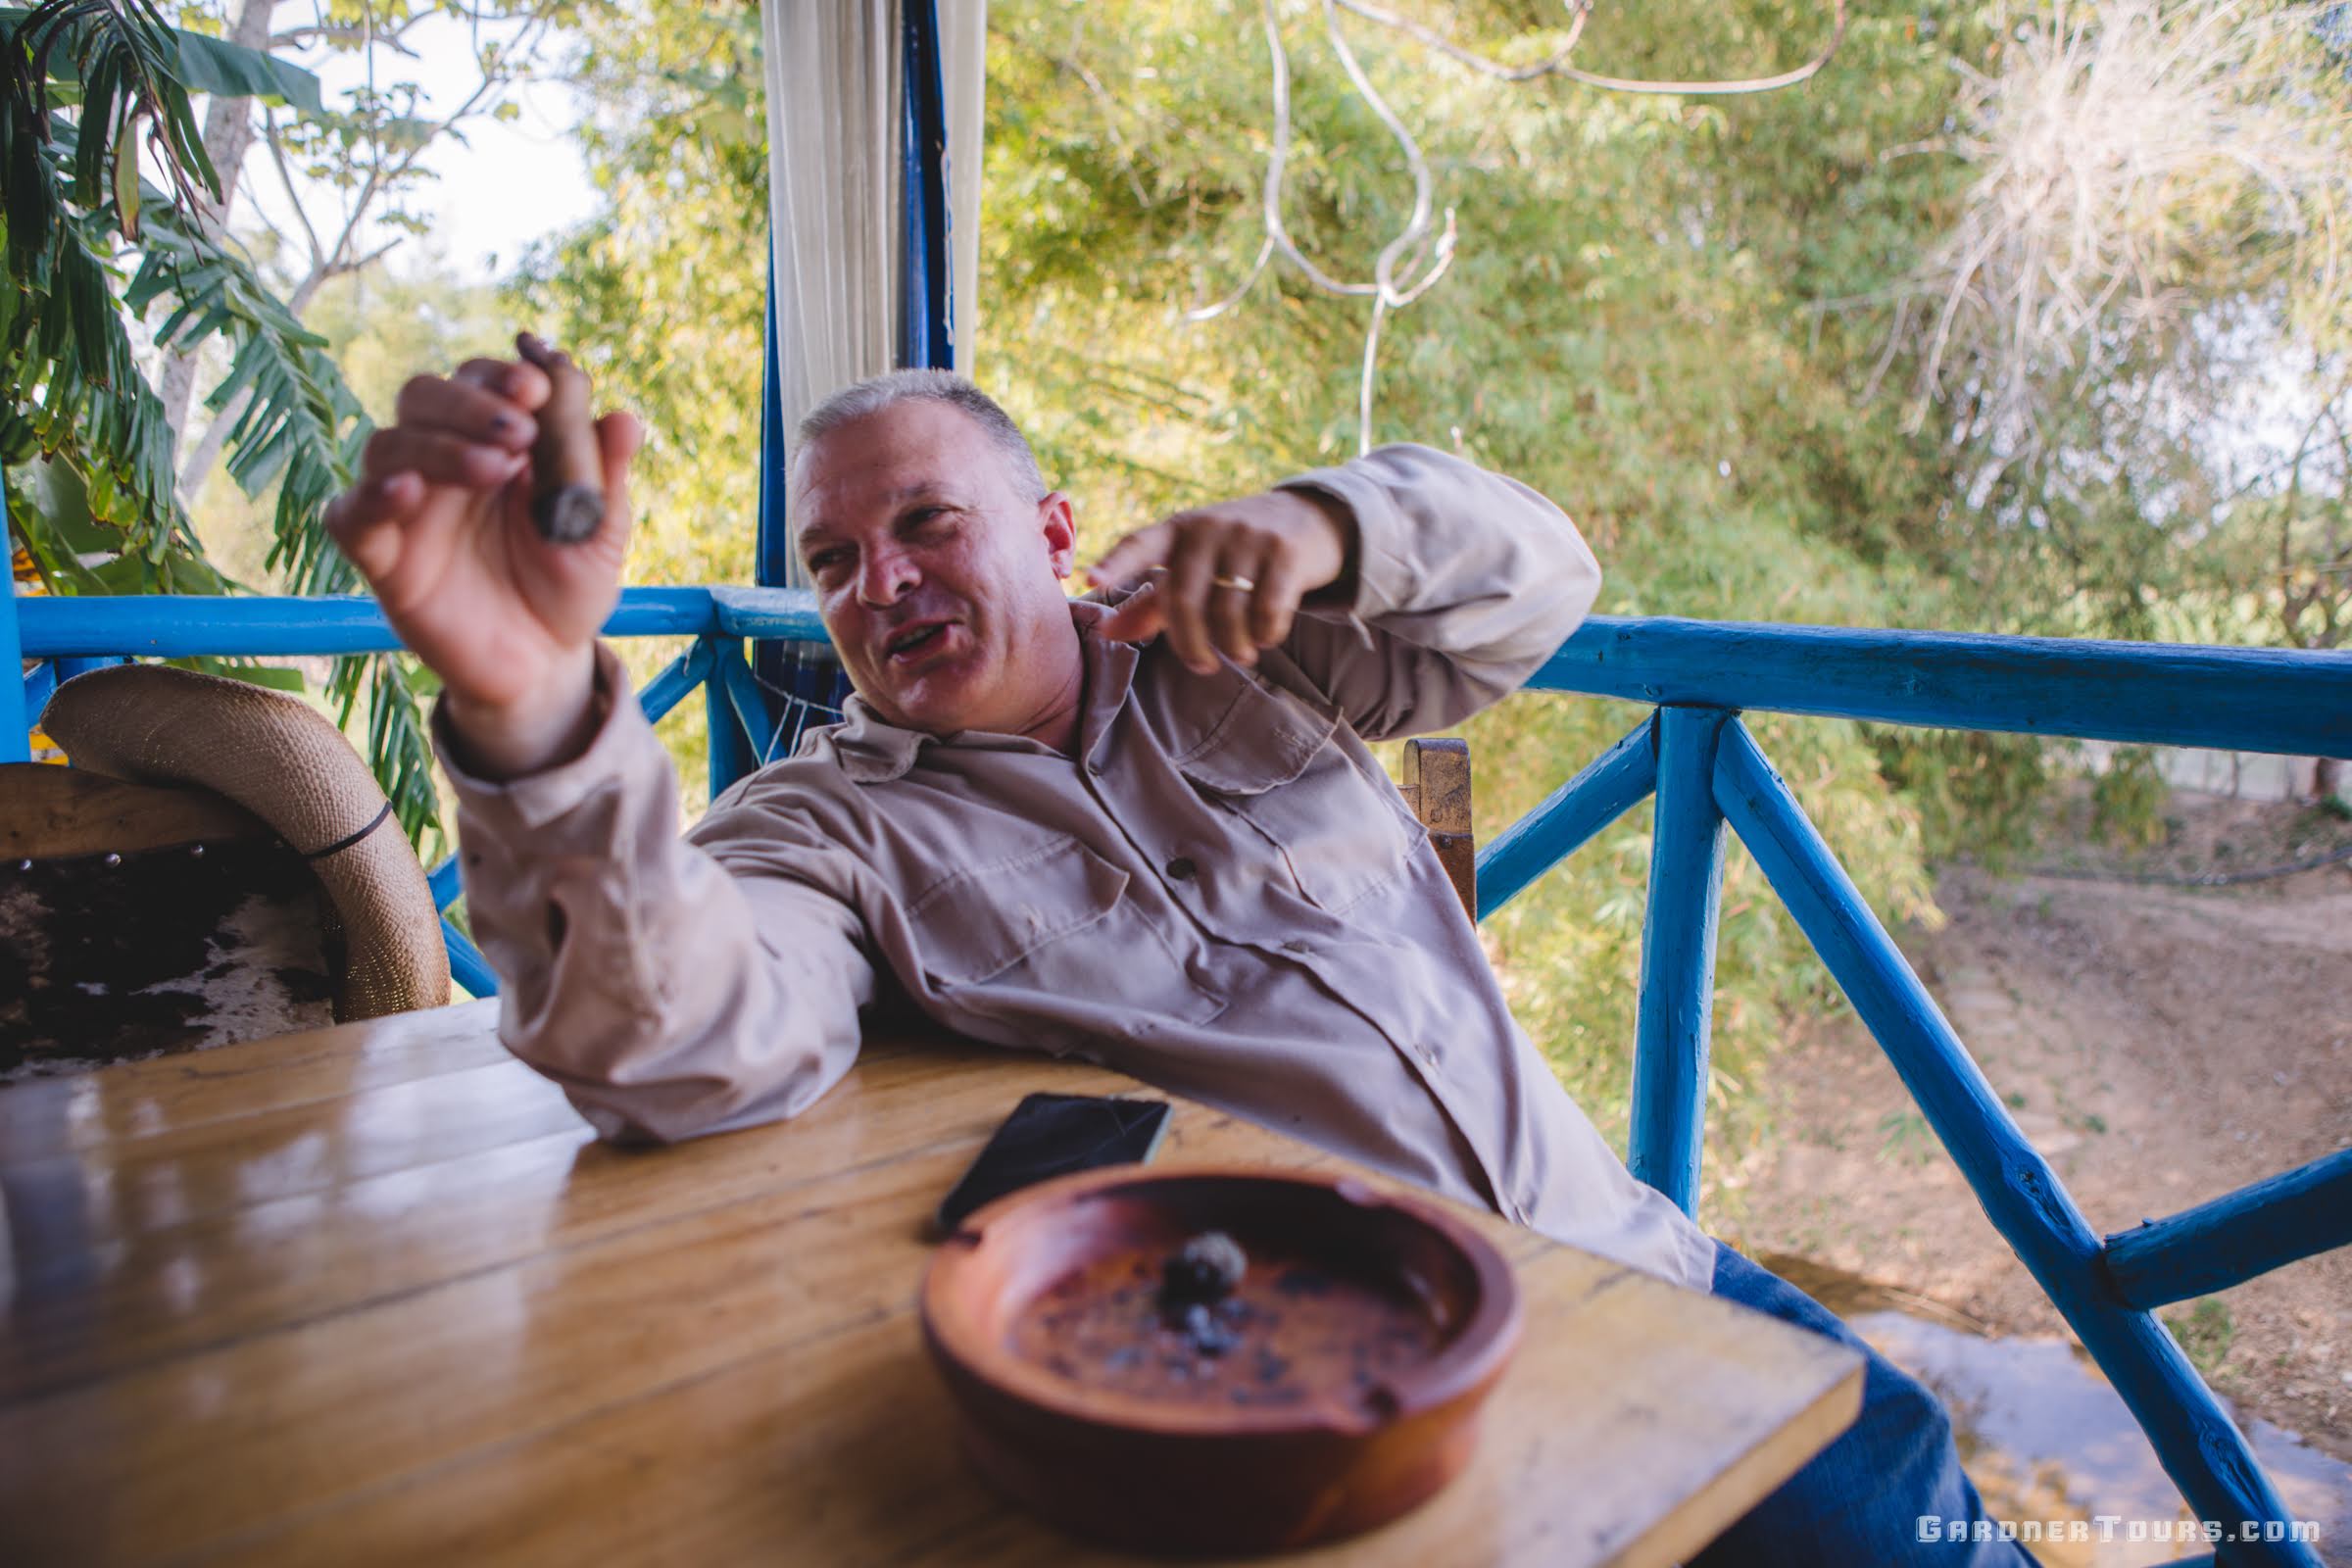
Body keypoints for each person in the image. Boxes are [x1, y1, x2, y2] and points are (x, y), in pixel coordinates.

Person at [327, 346, 2031, 1565]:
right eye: (835, 562)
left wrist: (1328, 523)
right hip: (1333, 1386)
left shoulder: (1243, 651)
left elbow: (1539, 579)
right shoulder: (821, 822)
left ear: (1055, 531)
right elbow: (677, 1039)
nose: (878, 584)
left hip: (1625, 1260)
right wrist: (537, 712)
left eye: (926, 524)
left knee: (1903, 1473)